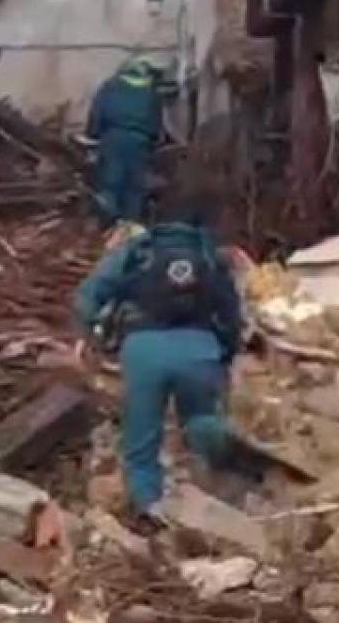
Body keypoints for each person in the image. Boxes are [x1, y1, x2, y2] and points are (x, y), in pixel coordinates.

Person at [73, 189, 246, 529]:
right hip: (199, 348)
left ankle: (149, 507)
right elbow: (230, 313)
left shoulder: (137, 250)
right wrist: (225, 353)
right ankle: (226, 476)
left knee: (142, 434)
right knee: (200, 418)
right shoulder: (209, 256)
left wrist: (86, 332)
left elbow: (92, 292)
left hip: (143, 349)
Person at [84, 59, 164, 225]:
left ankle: (107, 226)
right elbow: (157, 125)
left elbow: (96, 116)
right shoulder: (151, 93)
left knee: (111, 184)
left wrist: (93, 135)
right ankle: (130, 228)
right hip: (140, 142)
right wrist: (153, 142)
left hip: (112, 140)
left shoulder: (109, 87)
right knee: (135, 188)